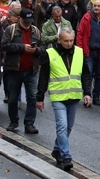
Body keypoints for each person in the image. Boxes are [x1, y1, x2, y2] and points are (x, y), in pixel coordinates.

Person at [37, 28, 92, 171]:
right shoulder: (50, 54)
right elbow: (43, 76)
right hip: (58, 96)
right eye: (65, 41)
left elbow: (86, 74)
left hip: (74, 96)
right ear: (59, 40)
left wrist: (87, 93)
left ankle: (57, 149)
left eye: (71, 40)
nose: (68, 43)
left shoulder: (79, 52)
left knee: (68, 127)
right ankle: (66, 155)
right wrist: (40, 97)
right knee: (62, 125)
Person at [1, 6, 43, 134]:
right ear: (20, 19)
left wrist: (36, 50)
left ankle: (29, 123)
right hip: (15, 69)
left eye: (30, 21)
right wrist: (22, 47)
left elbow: (43, 46)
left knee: (31, 97)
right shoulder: (11, 29)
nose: (28, 24)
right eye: (25, 21)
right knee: (13, 98)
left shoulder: (35, 31)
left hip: (31, 70)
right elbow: (4, 45)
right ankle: (14, 121)